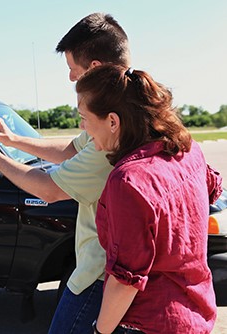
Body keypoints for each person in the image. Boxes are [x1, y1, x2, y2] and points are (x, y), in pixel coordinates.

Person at [0, 13, 130, 333]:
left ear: (95, 68)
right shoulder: (128, 107)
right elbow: (72, 148)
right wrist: (10, 139)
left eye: (73, 68)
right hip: (110, 271)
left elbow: (49, 190)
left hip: (99, 274)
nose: (70, 78)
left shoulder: (115, 133)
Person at [75, 64, 222, 333]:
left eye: (84, 117)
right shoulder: (188, 151)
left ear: (112, 121)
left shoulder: (129, 181)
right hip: (194, 315)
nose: (82, 127)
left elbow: (125, 281)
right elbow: (211, 190)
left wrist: (100, 330)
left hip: (150, 322)